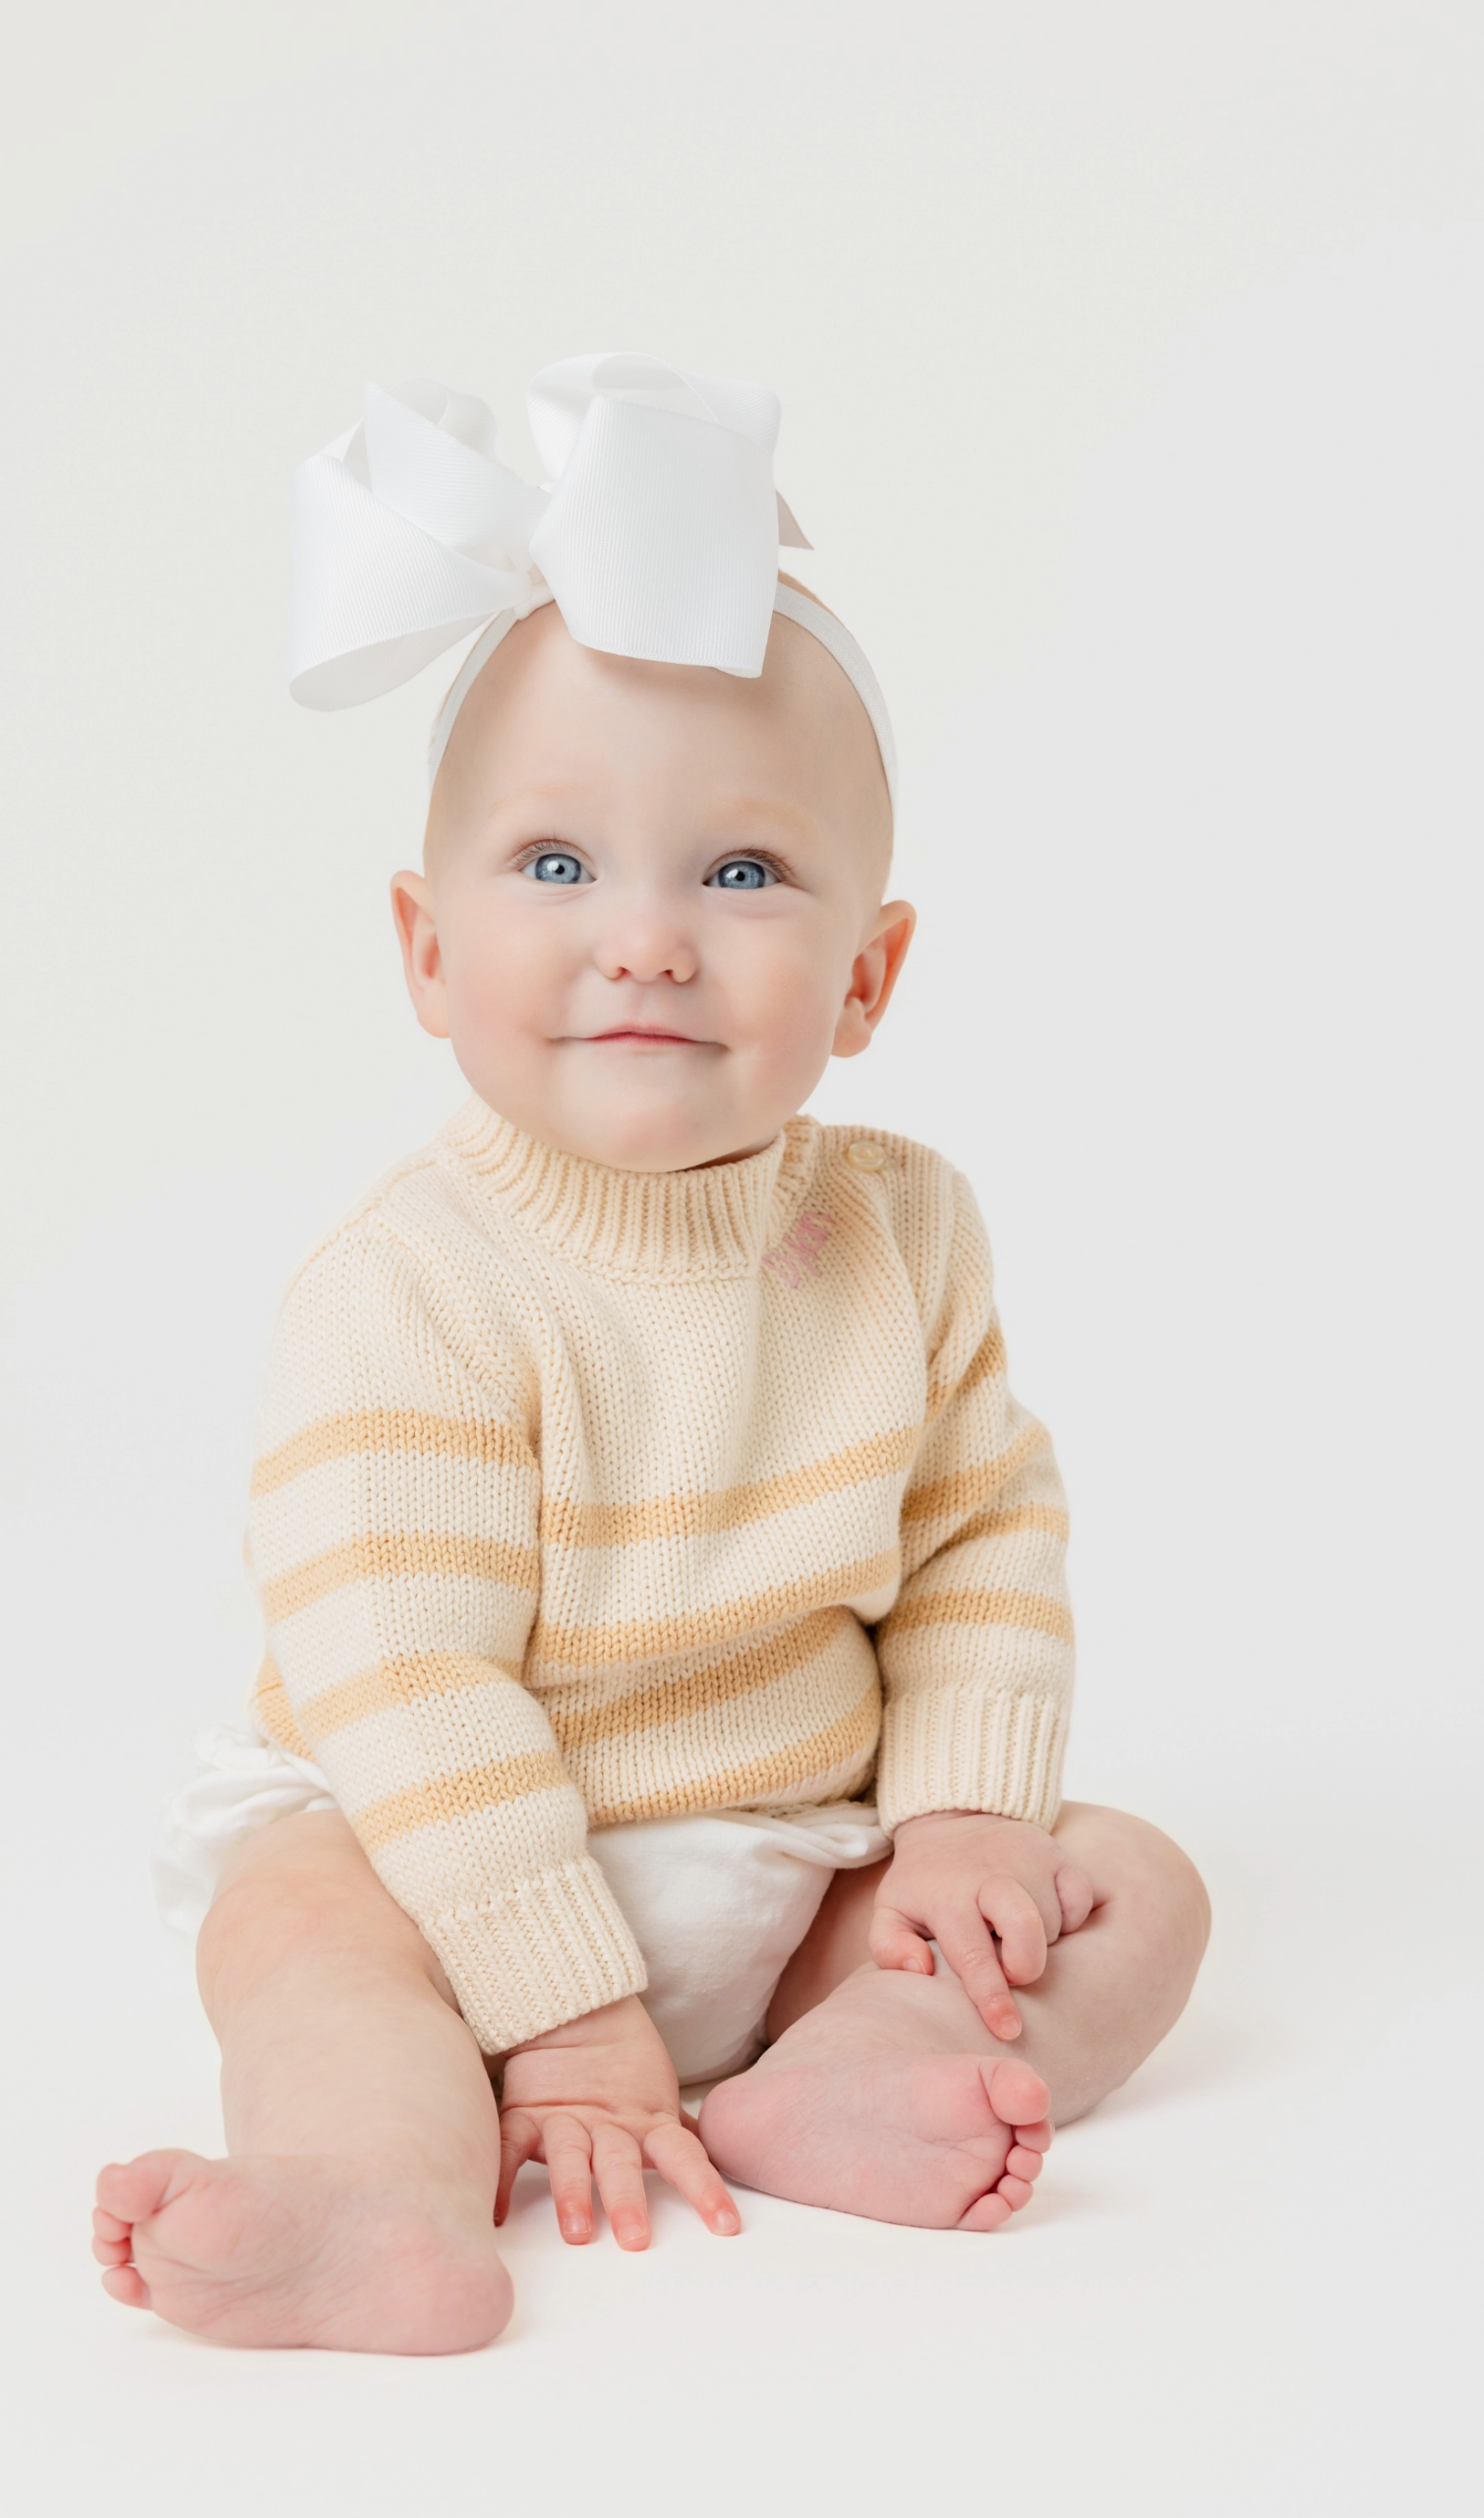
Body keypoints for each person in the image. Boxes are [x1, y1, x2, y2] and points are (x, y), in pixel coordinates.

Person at [90, 357, 1210, 2355]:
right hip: (448, 1855)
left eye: (745, 872)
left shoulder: (908, 1228)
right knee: (302, 1929)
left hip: (796, 1839)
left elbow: (981, 1543)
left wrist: (958, 1814)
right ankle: (377, 2189)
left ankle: (845, 2059)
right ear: (425, 948)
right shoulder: (412, 1285)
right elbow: (409, 1683)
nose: (647, 938)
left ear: (868, 976)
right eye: (553, 865)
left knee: (1131, 1881)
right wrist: (564, 2000)